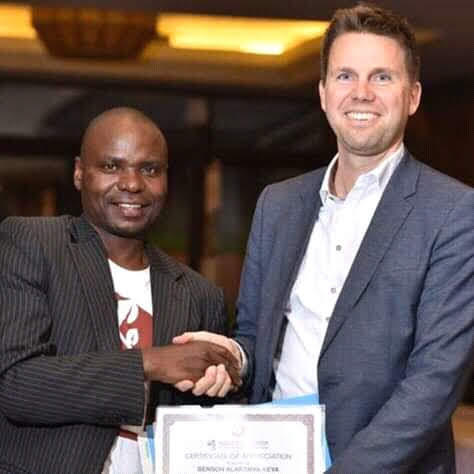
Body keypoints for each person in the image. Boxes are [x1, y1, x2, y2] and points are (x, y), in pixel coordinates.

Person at [173, 4, 474, 472]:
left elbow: (433, 384)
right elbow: (255, 337)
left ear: (412, 96)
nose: (361, 93)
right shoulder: (278, 204)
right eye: (345, 76)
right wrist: (231, 358)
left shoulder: (453, 212)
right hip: (273, 458)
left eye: (382, 77)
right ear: (323, 92)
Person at [0, 107, 240, 474]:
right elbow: (16, 384)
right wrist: (150, 362)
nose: (132, 183)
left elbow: (206, 425)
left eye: (150, 169)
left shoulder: (199, 293)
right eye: (112, 166)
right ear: (79, 173)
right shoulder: (33, 244)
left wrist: (221, 381)